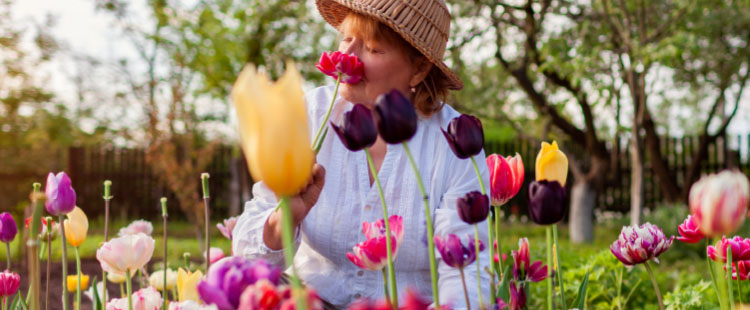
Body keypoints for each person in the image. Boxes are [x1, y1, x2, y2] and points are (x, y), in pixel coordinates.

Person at [233, 0, 490, 308]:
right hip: (309, 299)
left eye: (372, 48)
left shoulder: (454, 142)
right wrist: (285, 218)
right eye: (345, 38)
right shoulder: (310, 115)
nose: (347, 57)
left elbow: (467, 274)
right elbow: (247, 254)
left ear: (419, 68)